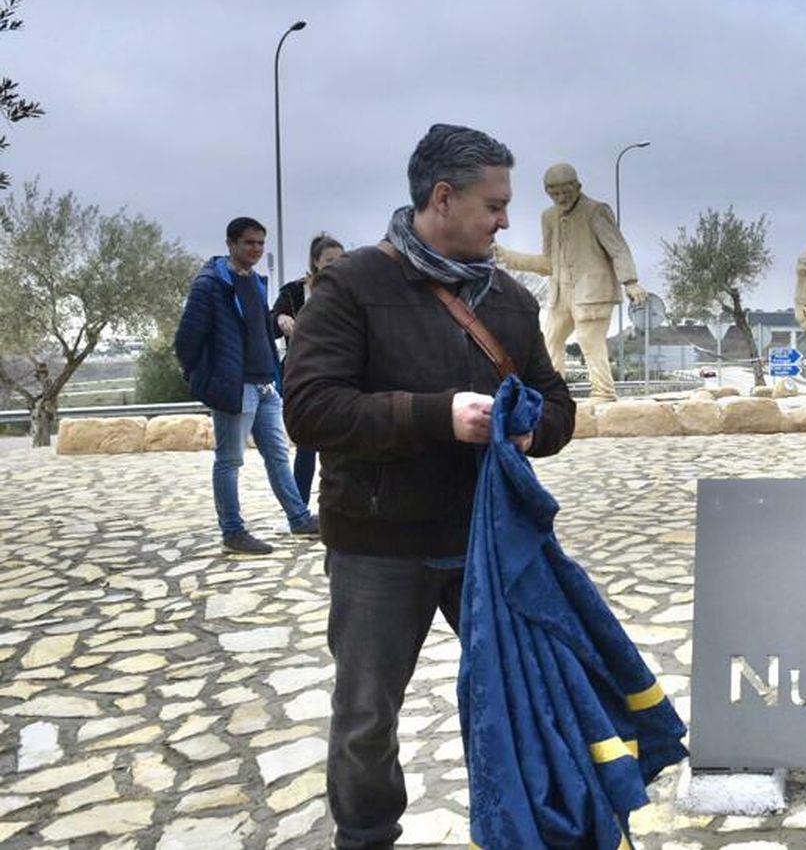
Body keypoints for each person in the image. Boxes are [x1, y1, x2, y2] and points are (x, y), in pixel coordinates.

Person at [282, 124, 576, 848]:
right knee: (366, 718)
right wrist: (437, 416)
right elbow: (310, 409)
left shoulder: (508, 298)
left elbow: (558, 403)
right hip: (378, 546)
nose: (507, 219)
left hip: (488, 544)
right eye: (495, 205)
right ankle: (367, 835)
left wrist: (534, 429)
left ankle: (522, 829)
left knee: (520, 700)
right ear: (442, 198)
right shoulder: (352, 284)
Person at [174, 216, 318, 554]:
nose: (255, 249)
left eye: (260, 243)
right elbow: (186, 340)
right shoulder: (210, 284)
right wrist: (204, 379)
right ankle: (233, 531)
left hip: (265, 383)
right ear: (231, 244)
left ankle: (299, 518)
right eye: (249, 243)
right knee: (230, 460)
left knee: (278, 456)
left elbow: (259, 329)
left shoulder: (255, 282)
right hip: (234, 387)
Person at [496, 162, 648, 402]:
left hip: (592, 292)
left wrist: (630, 281)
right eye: (554, 193)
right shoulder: (548, 217)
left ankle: (604, 393)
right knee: (550, 340)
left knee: (590, 341)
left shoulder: (596, 211)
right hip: (561, 293)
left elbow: (618, 249)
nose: (560, 197)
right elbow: (547, 263)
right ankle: (553, 394)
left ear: (578, 186)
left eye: (565, 191)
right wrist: (507, 257)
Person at [271, 232, 345, 503]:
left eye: (341, 259)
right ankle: (299, 508)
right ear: (315, 262)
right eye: (329, 260)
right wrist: (281, 318)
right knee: (307, 445)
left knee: (341, 444)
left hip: (342, 374)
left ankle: (339, 500)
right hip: (305, 374)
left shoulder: (350, 289)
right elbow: (272, 322)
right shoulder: (294, 292)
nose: (336, 264)